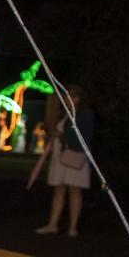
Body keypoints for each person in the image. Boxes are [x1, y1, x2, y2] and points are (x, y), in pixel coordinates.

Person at [35, 86, 95, 237]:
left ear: (80, 98)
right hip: (60, 154)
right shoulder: (63, 113)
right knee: (59, 190)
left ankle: (72, 227)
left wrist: (61, 135)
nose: (69, 100)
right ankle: (52, 224)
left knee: (75, 190)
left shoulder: (85, 114)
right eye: (67, 96)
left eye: (73, 96)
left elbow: (83, 136)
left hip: (74, 155)